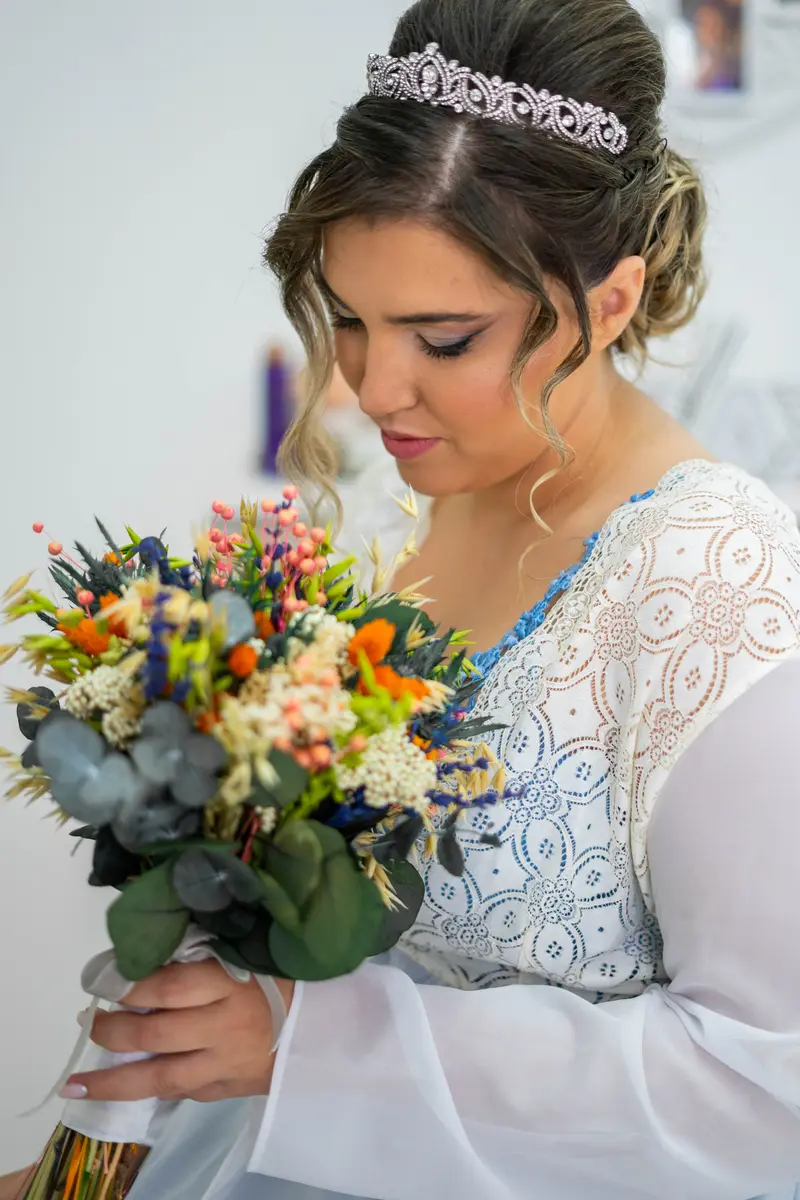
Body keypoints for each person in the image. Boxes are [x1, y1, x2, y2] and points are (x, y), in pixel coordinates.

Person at [3, 0, 799, 1196]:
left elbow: (763, 1095)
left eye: (443, 338)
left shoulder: (715, 576)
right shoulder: (407, 513)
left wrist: (309, 1049)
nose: (374, 390)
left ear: (611, 303)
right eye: (348, 321)